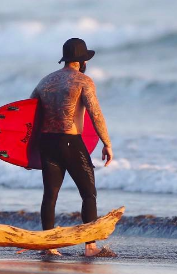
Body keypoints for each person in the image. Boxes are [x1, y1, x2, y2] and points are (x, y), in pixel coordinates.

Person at [30, 38, 114, 257]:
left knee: (50, 195)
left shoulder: (45, 82)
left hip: (47, 143)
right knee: (88, 193)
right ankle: (90, 246)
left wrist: (27, 154)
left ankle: (49, 245)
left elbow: (29, 117)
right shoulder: (83, 80)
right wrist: (107, 143)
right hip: (70, 142)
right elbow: (96, 114)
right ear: (82, 60)